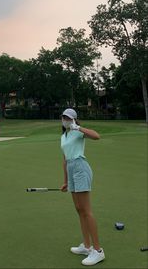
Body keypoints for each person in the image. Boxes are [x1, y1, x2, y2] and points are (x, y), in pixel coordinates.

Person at [60, 108, 105, 266]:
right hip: (71, 171)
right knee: (79, 209)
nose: (65, 119)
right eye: (63, 117)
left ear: (73, 119)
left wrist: (78, 127)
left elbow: (96, 136)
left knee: (86, 211)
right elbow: (65, 160)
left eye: (68, 118)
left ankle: (98, 251)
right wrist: (65, 181)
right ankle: (87, 246)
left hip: (80, 168)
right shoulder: (63, 136)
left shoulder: (77, 131)